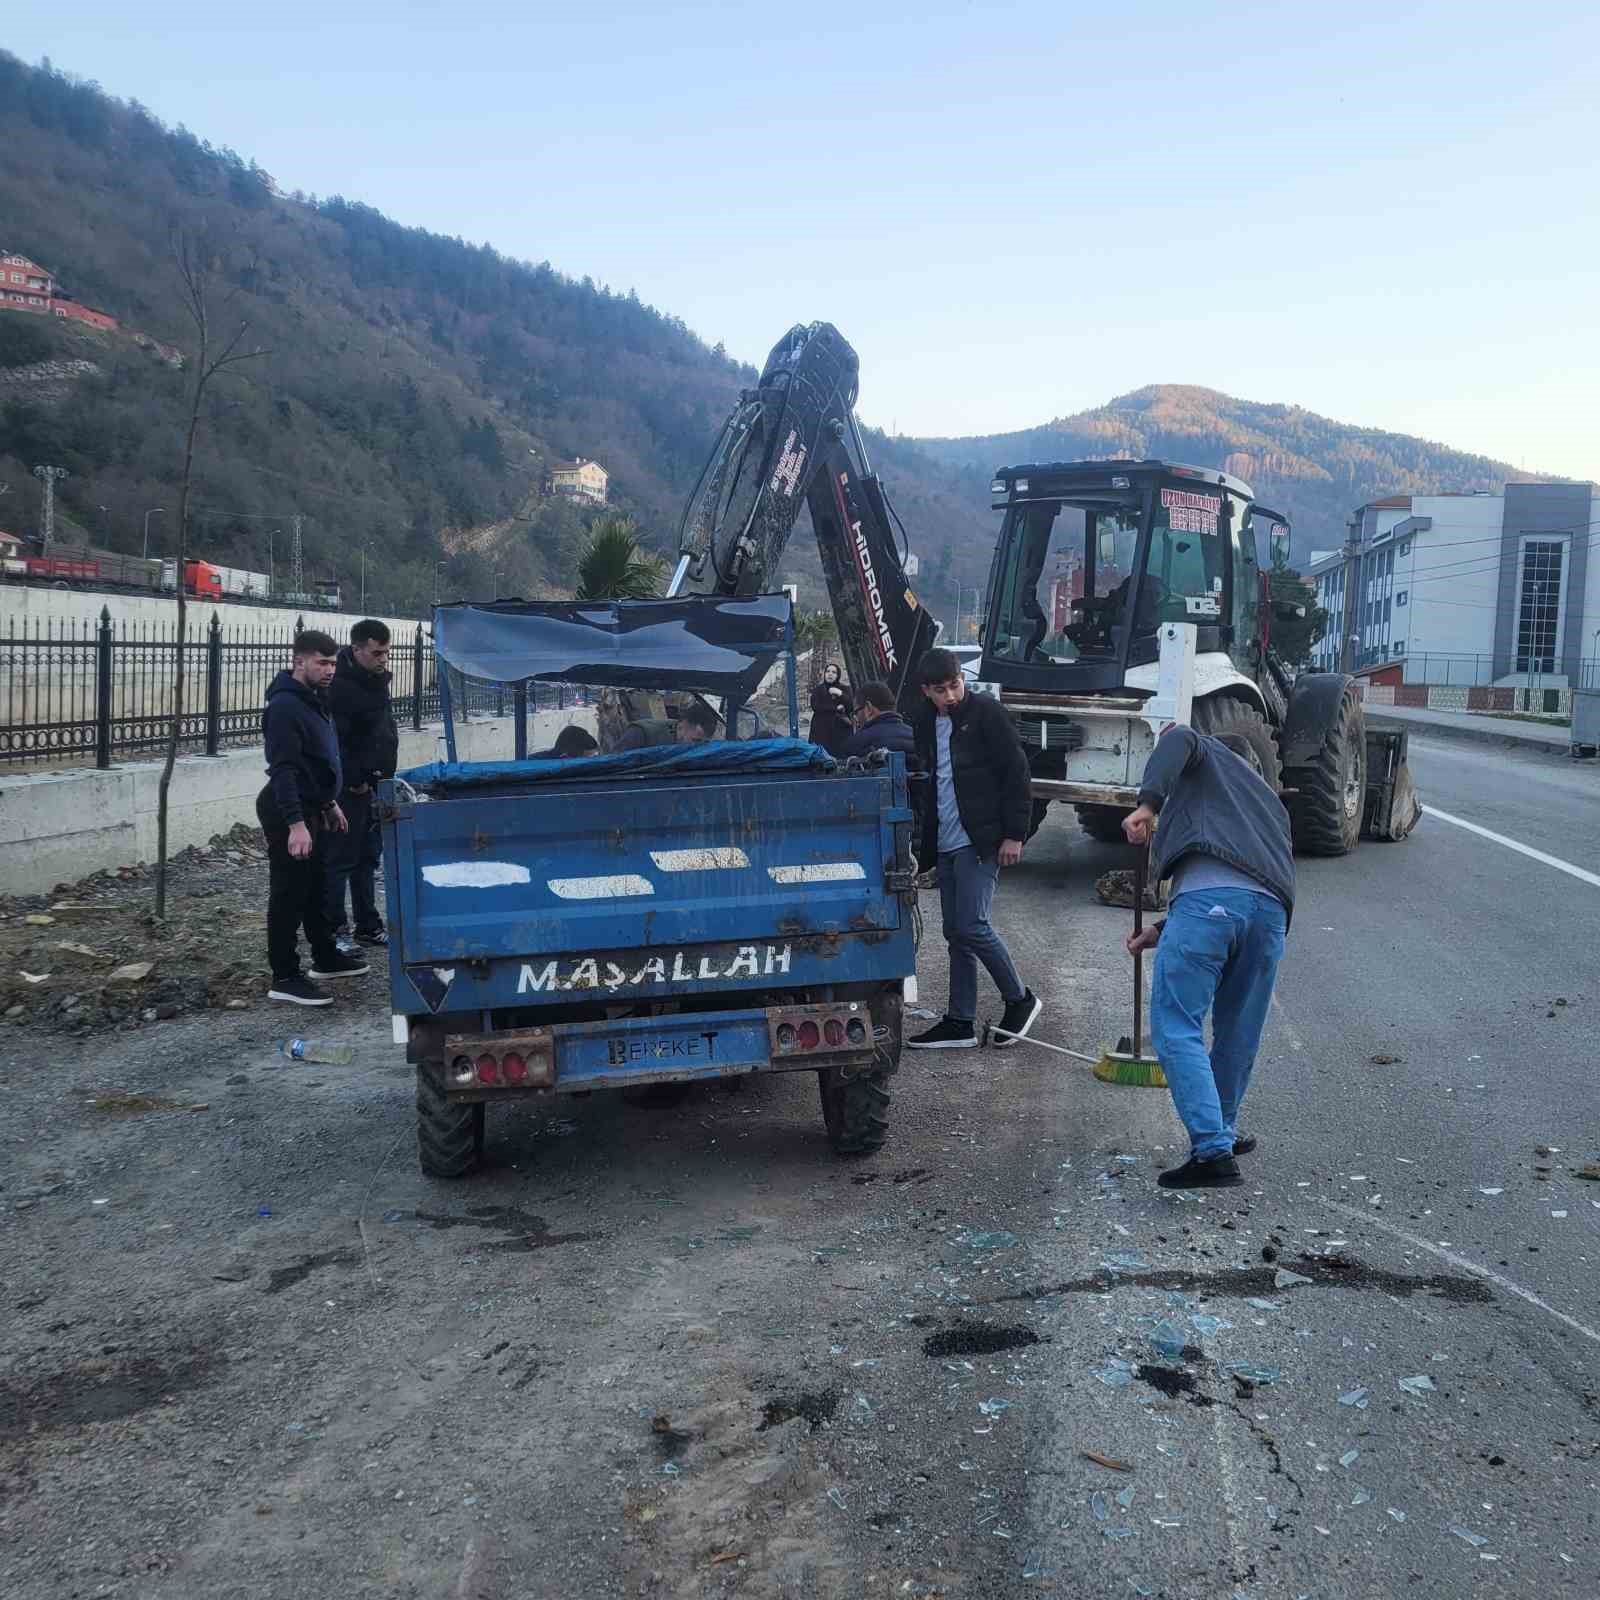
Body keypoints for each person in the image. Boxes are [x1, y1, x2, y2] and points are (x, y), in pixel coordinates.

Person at [1122, 725, 1295, 1189]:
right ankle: (1223, 1130)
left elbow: (1179, 738)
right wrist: (1161, 930)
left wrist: (1147, 805)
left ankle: (1212, 1150)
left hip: (1207, 907)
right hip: (1269, 917)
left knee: (1176, 1025)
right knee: (1239, 1031)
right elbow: (1244, 889)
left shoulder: (1205, 753)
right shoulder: (1267, 802)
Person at [905, 648, 1040, 1051]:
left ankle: (1020, 999)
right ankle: (959, 1022)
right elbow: (931, 781)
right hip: (946, 841)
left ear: (962, 679)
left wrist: (1015, 834)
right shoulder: (924, 721)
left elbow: (1017, 774)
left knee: (972, 925)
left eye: (955, 685)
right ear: (926, 690)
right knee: (955, 934)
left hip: (981, 840)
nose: (950, 695)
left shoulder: (987, 713)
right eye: (941, 690)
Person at [256, 631, 369, 1006]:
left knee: (316, 886)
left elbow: (315, 762)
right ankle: (285, 976)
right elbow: (284, 769)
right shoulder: (284, 707)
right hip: (288, 810)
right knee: (289, 893)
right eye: (322, 663)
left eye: (333, 663)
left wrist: (328, 803)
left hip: (312, 807)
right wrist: (296, 824)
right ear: (298, 661)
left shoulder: (314, 699)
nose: (330, 670)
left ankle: (325, 957)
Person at [324, 619, 399, 951]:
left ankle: (368, 925)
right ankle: (335, 930)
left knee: (367, 858)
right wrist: (354, 780)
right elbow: (337, 741)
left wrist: (379, 778)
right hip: (349, 789)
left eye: (386, 653)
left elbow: (380, 733)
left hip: (376, 785)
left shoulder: (375, 682)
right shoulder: (339, 687)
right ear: (357, 649)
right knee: (340, 859)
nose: (383, 659)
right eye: (377, 653)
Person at [839, 680, 914, 761]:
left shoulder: (856, 744)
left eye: (856, 712)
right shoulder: (915, 736)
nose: (856, 718)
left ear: (868, 708)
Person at [807, 663, 853, 755]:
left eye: (834, 672)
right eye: (828, 671)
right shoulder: (818, 690)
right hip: (821, 731)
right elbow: (816, 706)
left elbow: (850, 706)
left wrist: (840, 693)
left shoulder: (845, 689)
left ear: (838, 675)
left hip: (840, 731)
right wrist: (835, 708)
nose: (830, 674)